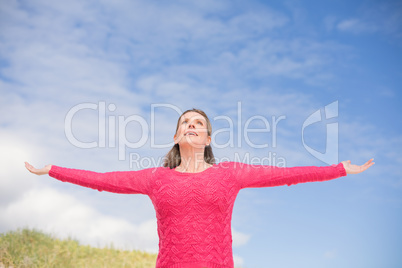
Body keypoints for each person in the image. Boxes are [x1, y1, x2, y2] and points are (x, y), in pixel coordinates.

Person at [25, 108, 374, 268]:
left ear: (207, 138)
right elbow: (102, 180)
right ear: (177, 136)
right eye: (184, 123)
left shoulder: (230, 174)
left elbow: (287, 175)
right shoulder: (155, 178)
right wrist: (52, 170)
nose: (191, 126)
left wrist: (339, 169)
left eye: (198, 124)